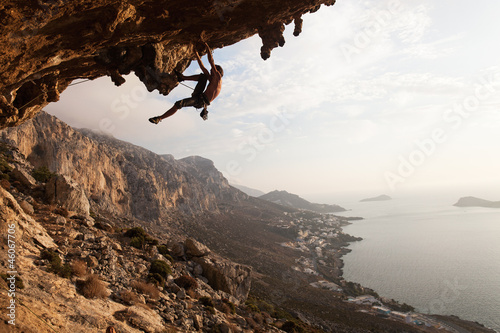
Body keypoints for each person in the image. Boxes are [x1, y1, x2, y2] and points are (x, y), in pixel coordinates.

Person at [149, 41, 223, 123]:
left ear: (217, 71)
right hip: (199, 95)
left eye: (212, 71)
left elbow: (211, 61)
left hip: (200, 101)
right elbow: (202, 67)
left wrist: (207, 46)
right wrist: (196, 54)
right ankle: (182, 78)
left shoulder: (218, 77)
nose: (211, 72)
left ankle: (159, 118)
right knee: (203, 76)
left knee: (179, 104)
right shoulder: (213, 79)